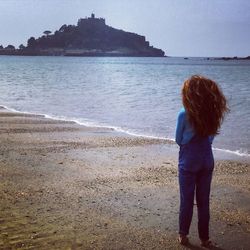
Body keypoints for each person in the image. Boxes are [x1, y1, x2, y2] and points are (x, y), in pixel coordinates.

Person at [175, 75, 229, 247]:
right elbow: (211, 137)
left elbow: (178, 139)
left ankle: (183, 235)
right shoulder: (212, 112)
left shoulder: (184, 113)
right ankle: (205, 239)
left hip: (189, 159)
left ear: (190, 94)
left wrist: (188, 144)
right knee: (203, 201)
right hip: (207, 157)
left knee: (187, 199)